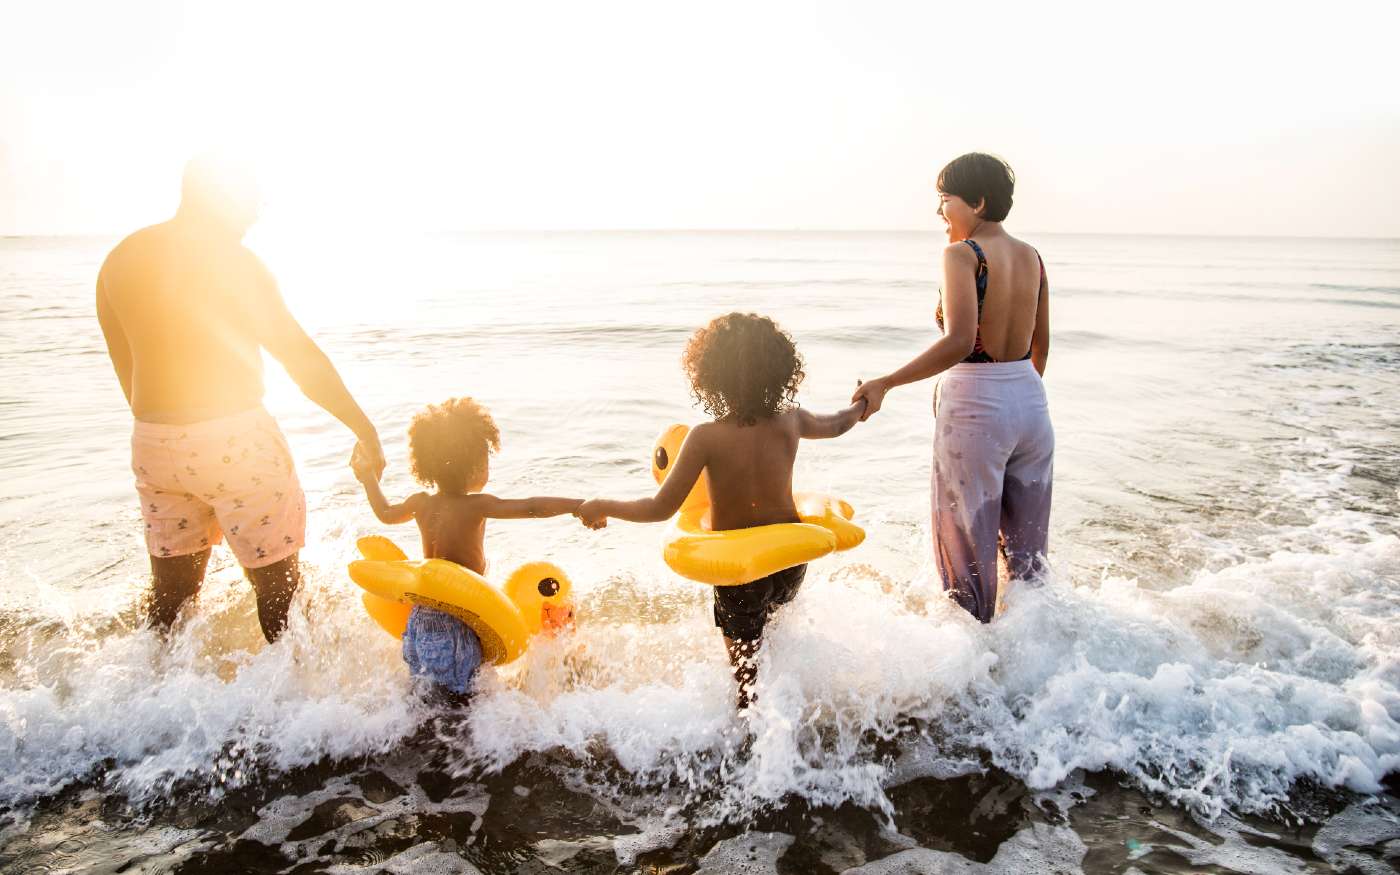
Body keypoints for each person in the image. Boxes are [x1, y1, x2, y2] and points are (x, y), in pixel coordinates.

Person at [95, 154, 385, 643]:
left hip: (153, 443)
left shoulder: (121, 258)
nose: (257, 211)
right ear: (222, 197)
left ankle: (146, 699)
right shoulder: (234, 262)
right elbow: (298, 357)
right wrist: (363, 428)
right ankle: (293, 709)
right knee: (279, 591)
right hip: (235, 438)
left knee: (170, 597)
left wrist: (167, 431)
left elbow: (127, 369)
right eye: (252, 198)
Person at [575, 313, 866, 709]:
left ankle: (751, 735)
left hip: (739, 572)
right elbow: (838, 425)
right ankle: (786, 713)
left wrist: (603, 503)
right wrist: (862, 403)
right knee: (776, 634)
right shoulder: (792, 421)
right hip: (788, 561)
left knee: (746, 678)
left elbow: (659, 507)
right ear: (780, 369)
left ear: (709, 376)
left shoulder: (705, 437)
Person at [852, 152, 1052, 623]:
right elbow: (1041, 347)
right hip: (1031, 403)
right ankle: (1040, 661)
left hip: (976, 409)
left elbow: (960, 341)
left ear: (977, 202)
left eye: (945, 200)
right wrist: (1014, 397)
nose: (940, 213)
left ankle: (971, 682)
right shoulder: (1032, 257)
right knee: (1029, 560)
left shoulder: (962, 255)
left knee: (966, 557)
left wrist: (887, 383)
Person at [351, 396, 581, 697]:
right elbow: (531, 507)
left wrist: (367, 477)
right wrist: (578, 506)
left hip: (418, 622)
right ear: (473, 464)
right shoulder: (477, 506)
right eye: (485, 457)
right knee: (462, 706)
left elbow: (384, 513)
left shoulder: (420, 503)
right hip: (457, 626)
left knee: (424, 701)